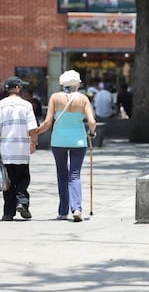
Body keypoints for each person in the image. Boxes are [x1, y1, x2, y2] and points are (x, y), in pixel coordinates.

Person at [37, 70, 96, 222]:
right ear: (77, 84)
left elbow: (48, 122)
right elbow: (92, 122)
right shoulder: (83, 99)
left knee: (62, 175)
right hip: (78, 141)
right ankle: (76, 208)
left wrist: (35, 133)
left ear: (63, 84)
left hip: (59, 141)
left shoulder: (55, 98)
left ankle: (63, 211)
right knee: (74, 174)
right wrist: (91, 132)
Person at [0, 77, 38, 221]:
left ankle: (8, 213)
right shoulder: (26, 105)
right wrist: (33, 142)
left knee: (8, 181)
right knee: (23, 178)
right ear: (17, 88)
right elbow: (32, 128)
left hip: (5, 149)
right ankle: (22, 202)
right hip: (21, 148)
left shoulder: (0, 105)